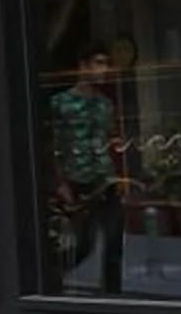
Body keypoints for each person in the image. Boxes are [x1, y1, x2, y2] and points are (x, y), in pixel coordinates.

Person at [48, 50, 127, 295]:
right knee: (82, 245)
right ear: (83, 66)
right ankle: (52, 277)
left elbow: (113, 142)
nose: (103, 70)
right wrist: (60, 182)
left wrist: (121, 177)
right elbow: (54, 145)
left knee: (113, 243)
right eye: (98, 63)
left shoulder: (106, 104)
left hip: (106, 180)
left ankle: (114, 298)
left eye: (106, 64)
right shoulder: (61, 103)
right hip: (77, 181)